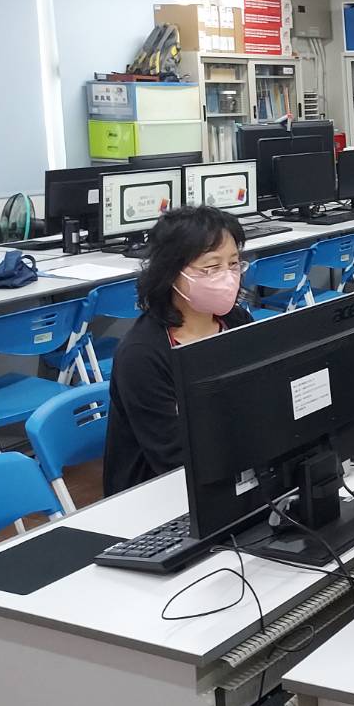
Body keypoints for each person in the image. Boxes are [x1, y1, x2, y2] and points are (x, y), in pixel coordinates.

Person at [103, 207, 252, 496]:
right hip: (158, 492)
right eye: (211, 267)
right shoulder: (142, 355)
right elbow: (172, 456)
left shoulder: (235, 321)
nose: (227, 277)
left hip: (232, 469)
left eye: (234, 264)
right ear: (171, 272)